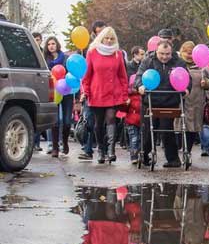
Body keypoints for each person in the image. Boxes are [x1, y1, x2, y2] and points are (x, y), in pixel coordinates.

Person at [135, 39, 190, 167]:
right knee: (148, 130)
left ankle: (173, 159)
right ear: (156, 51)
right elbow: (139, 76)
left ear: (171, 52)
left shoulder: (179, 62)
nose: (164, 57)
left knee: (167, 131)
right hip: (150, 101)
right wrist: (140, 86)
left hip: (169, 101)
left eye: (167, 54)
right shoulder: (148, 61)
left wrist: (187, 88)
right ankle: (144, 154)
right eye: (161, 54)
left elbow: (186, 78)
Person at [80, 26, 129, 164]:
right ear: (101, 38)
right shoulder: (92, 52)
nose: (108, 41)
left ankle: (111, 150)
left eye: (111, 38)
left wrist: (125, 94)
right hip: (97, 93)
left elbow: (123, 76)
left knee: (111, 118)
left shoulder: (118, 54)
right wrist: (86, 92)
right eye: (106, 38)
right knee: (98, 123)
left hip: (114, 92)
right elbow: (87, 75)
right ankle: (101, 149)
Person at [43, 36, 73, 158]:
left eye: (53, 43)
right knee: (55, 120)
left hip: (66, 92)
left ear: (57, 45)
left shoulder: (65, 58)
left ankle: (64, 141)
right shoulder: (45, 60)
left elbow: (73, 75)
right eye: (49, 44)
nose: (51, 46)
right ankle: (55, 148)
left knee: (66, 121)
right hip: (53, 92)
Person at [178, 41, 209, 155]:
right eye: (186, 52)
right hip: (181, 101)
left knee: (192, 128)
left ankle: (188, 151)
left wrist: (205, 83)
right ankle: (180, 148)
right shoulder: (178, 65)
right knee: (180, 126)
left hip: (196, 102)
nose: (189, 55)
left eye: (191, 52)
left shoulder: (202, 68)